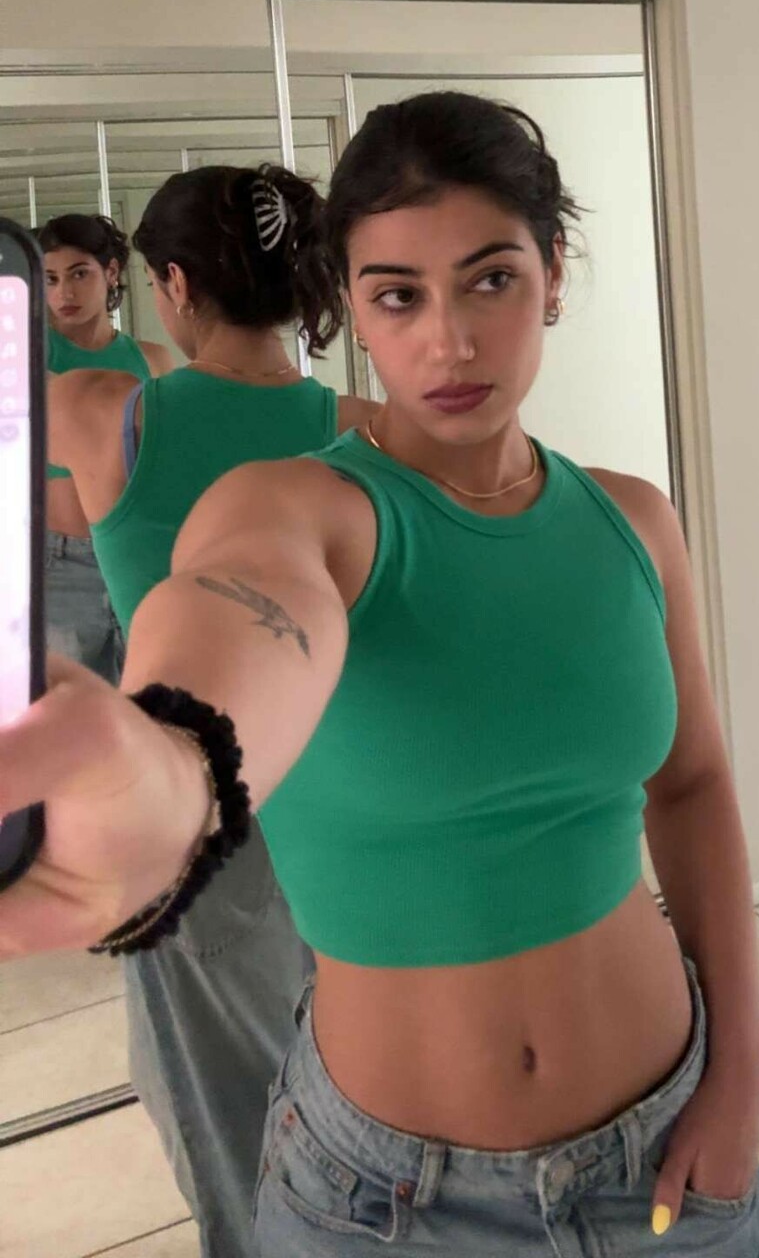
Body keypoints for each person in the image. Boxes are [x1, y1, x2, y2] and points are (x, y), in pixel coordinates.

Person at [2, 94, 759, 1258]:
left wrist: (743, 1068)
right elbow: (246, 605)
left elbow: (691, 785)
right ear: (351, 310)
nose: (450, 340)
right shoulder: (297, 506)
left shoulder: (636, 521)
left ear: (553, 274)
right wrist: (174, 764)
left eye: (491, 280)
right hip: (384, 1210)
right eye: (398, 296)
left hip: (672, 1153)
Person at [46, 163, 374, 1258]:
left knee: (226, 1113)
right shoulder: (363, 428)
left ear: (176, 285)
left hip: (197, 820)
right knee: (355, 1080)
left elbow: (49, 492)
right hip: (344, 797)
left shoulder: (103, 415)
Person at [40, 213, 171, 685]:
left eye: (79, 274)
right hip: (57, 561)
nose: (64, 293)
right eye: (51, 279)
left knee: (149, 698)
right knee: (64, 709)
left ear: (111, 272)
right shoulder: (27, 354)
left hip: (136, 553)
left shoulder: (150, 359)